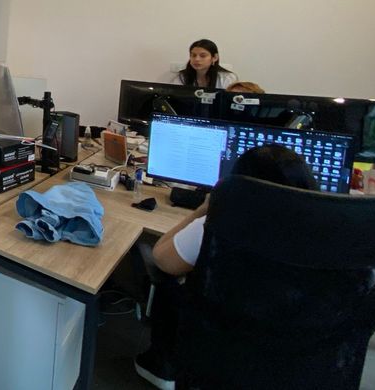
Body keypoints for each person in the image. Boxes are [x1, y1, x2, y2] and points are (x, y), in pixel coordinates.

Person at [134, 145, 318, 389]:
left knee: (164, 272)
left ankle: (162, 363)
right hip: (301, 346)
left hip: (224, 333)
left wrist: (204, 209)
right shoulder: (326, 232)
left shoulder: (225, 223)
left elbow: (162, 258)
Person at [171, 39, 237, 89]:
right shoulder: (181, 77)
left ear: (215, 57)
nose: (197, 59)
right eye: (193, 55)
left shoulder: (227, 78)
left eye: (203, 56)